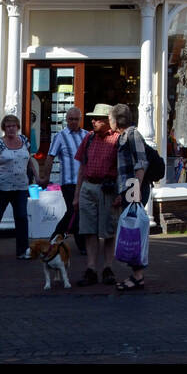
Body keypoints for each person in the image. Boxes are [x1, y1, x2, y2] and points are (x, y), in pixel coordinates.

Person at [74, 104, 121, 286]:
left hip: (107, 188)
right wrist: (77, 194)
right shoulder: (89, 138)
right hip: (88, 186)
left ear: (109, 121)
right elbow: (82, 168)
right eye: (93, 118)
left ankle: (108, 267)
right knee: (88, 229)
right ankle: (91, 268)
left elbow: (124, 169)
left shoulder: (118, 140)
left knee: (108, 230)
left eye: (98, 118)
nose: (93, 121)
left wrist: (121, 193)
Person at [0, 114, 37, 259]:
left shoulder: (24, 140)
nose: (11, 129)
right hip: (2, 187)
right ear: (4, 128)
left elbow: (29, 160)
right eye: (8, 126)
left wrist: (37, 175)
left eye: (13, 126)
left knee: (22, 217)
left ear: (18, 127)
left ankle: (23, 250)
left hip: (21, 186)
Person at [110, 104, 150, 291]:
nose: (109, 121)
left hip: (134, 190)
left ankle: (138, 277)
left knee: (134, 232)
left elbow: (141, 163)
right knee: (131, 231)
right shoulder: (123, 137)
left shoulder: (133, 134)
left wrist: (135, 191)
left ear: (117, 120)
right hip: (128, 190)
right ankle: (136, 274)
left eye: (110, 118)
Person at [48, 107, 89, 256]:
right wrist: (46, 177)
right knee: (73, 211)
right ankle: (59, 238)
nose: (73, 122)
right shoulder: (60, 136)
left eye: (76, 119)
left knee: (80, 212)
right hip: (68, 181)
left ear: (80, 120)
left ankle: (61, 239)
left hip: (84, 181)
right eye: (70, 119)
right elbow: (50, 156)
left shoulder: (86, 136)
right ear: (66, 119)